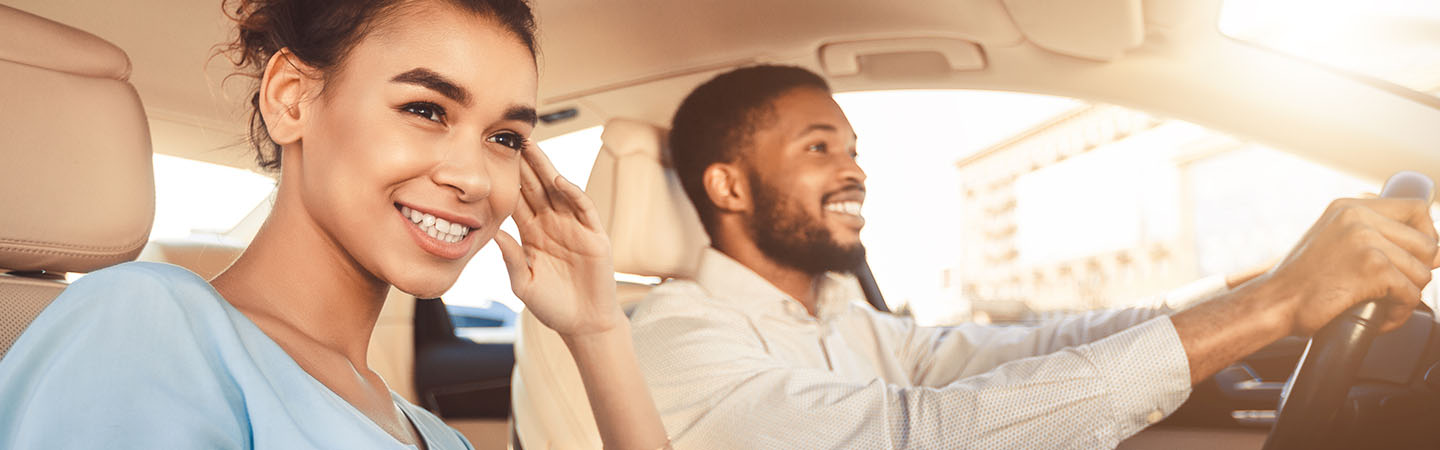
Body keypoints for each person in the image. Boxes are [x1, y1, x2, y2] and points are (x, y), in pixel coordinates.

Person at [626, 64, 1440, 448]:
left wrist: (1252, 286)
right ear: (728, 186)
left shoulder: (845, 318)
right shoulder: (670, 338)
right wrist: (1275, 307)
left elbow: (1030, 348)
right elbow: (918, 437)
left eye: (854, 148)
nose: (855, 170)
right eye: (819, 148)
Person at [0, 1, 667, 449]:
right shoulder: (143, 323)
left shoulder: (436, 436)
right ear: (293, 99)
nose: (473, 177)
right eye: (427, 110)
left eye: (505, 138)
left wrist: (598, 330)